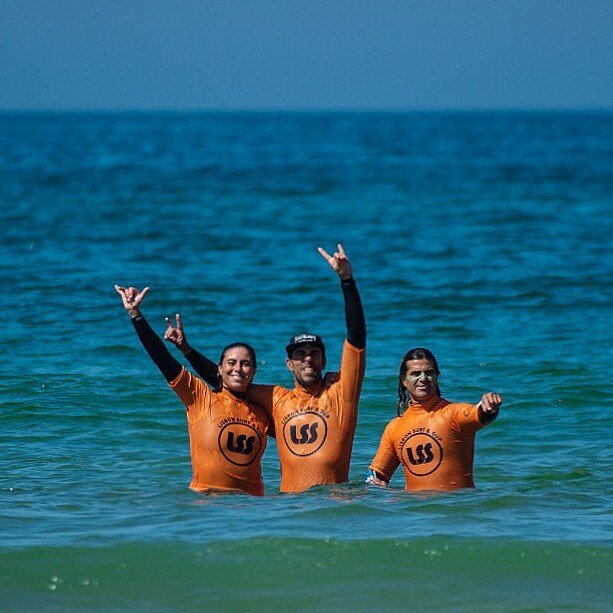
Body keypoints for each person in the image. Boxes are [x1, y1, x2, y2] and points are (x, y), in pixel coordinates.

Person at [165, 245, 366, 493]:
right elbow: (227, 380)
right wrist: (187, 351)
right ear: (289, 364)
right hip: (288, 510)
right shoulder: (276, 399)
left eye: (314, 354)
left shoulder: (341, 392)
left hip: (333, 504)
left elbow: (356, 338)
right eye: (300, 355)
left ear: (324, 361)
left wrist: (347, 281)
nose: (308, 360)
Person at [114, 285, 271, 496]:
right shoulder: (200, 398)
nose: (238, 369)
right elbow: (164, 361)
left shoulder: (262, 413)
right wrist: (136, 315)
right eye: (231, 362)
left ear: (254, 370)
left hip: (254, 509)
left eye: (245, 364)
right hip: (209, 505)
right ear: (220, 368)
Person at [367, 347, 502, 491]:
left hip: (457, 508)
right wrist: (375, 488)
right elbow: (377, 476)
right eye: (416, 373)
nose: (423, 378)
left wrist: (489, 407)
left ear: (437, 376)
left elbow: (478, 414)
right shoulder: (394, 428)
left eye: (429, 373)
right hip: (412, 510)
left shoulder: (452, 414)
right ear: (404, 380)